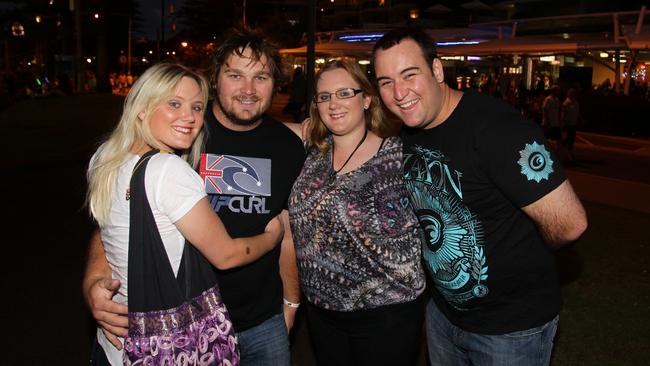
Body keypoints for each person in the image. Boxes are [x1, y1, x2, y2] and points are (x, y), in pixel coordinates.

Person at [83, 28, 306, 365]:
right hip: (183, 330)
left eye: (260, 77)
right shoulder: (178, 139)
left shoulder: (289, 147)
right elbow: (117, 221)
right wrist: (95, 279)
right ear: (216, 79)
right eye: (235, 75)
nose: (248, 89)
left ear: (275, 84)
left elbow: (288, 231)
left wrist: (291, 303)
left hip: (262, 323)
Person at [372, 27, 588, 366]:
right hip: (445, 317)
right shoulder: (412, 131)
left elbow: (569, 223)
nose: (399, 92)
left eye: (409, 75)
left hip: (510, 331)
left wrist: (522, 257)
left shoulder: (498, 129)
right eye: (386, 82)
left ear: (437, 70)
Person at [288, 60, 426, 366]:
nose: (333, 104)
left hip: (385, 314)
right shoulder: (314, 152)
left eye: (343, 93)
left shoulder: (399, 158)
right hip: (321, 311)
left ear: (366, 99)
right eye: (324, 97)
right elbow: (260, 130)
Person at [561, 88, 582, 162]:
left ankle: (563, 148)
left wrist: (580, 119)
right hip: (568, 123)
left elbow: (577, 112)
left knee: (571, 139)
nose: (574, 95)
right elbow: (563, 114)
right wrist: (562, 122)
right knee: (570, 139)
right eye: (572, 93)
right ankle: (568, 153)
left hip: (574, 123)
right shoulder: (566, 103)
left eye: (574, 93)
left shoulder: (576, 102)